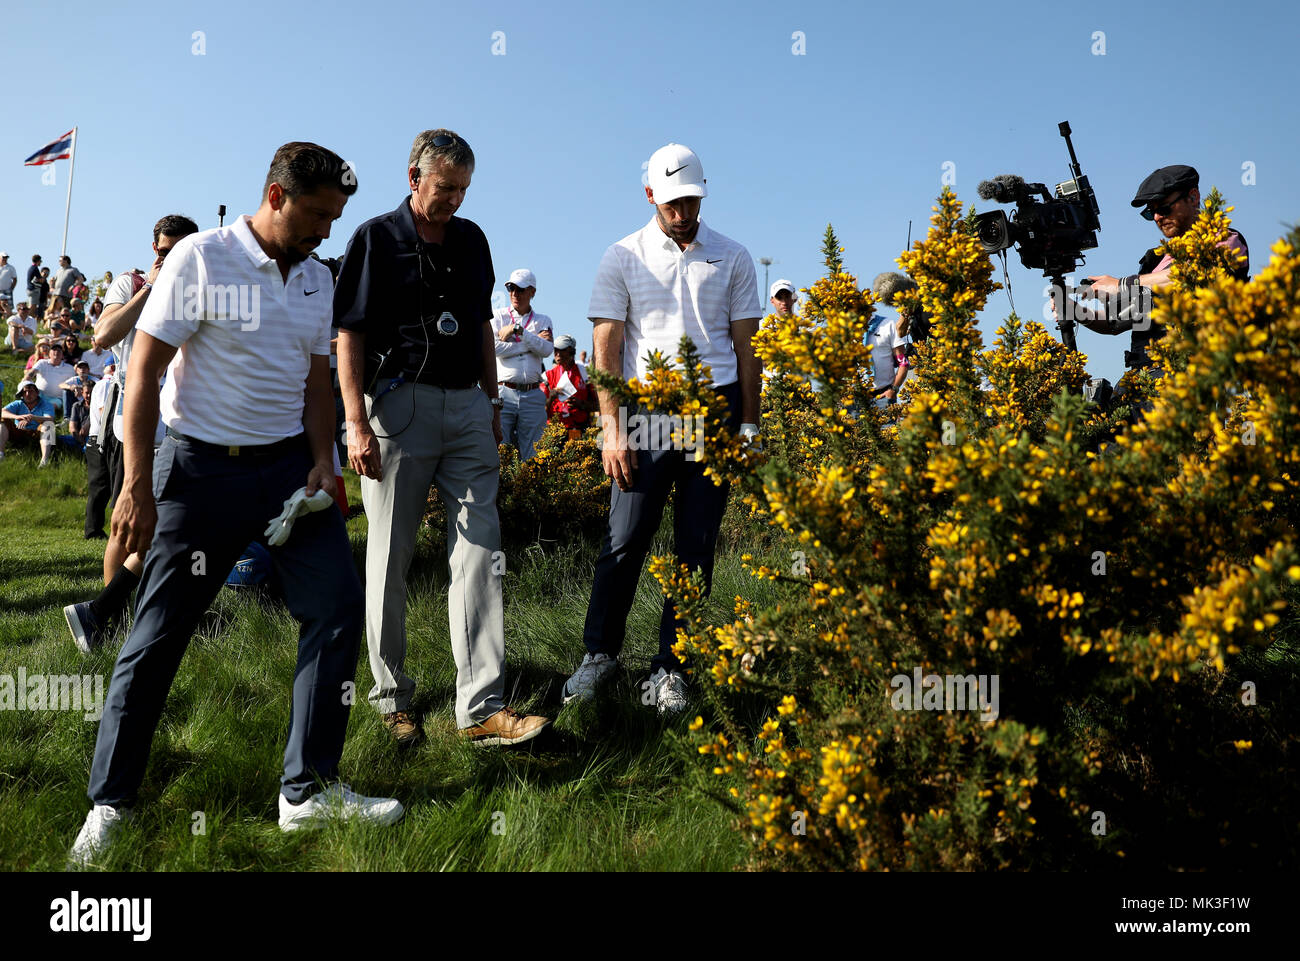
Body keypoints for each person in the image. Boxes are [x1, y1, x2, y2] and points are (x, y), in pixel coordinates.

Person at [69, 141, 402, 868]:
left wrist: (322, 458)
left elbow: (318, 384)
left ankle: (307, 791)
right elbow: (144, 367)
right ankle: (110, 803)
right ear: (276, 196)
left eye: (336, 217)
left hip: (287, 471)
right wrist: (135, 484)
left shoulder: (318, 280)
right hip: (200, 471)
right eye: (316, 213)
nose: (325, 229)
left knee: (338, 608)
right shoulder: (200, 258)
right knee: (159, 633)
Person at [333, 128, 550, 748]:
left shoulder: (473, 239)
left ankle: (482, 707)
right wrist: (354, 421)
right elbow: (348, 335)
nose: (455, 199)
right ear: (413, 179)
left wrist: (488, 399)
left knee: (481, 549)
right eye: (445, 187)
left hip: (467, 410)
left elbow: (483, 325)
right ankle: (393, 699)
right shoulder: (375, 239)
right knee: (390, 556)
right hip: (397, 408)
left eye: (463, 188)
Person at [561, 142, 762, 716]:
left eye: (692, 200)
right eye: (672, 201)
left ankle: (671, 666)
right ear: (650, 195)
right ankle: (600, 655)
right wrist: (612, 429)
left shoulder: (735, 256)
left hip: (714, 409)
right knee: (625, 536)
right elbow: (606, 347)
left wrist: (748, 425)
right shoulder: (621, 256)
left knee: (695, 545)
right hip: (647, 410)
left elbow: (748, 348)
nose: (683, 211)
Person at [1064, 165, 1249, 375]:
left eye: (1164, 208)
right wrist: (1073, 309)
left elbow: (1192, 275)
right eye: (1151, 212)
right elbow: (1114, 323)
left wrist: (1121, 284)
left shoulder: (1225, 240)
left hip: (1191, 373)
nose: (1157, 218)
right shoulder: (1157, 262)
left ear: (1193, 197)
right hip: (1144, 376)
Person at [492, 268, 553, 459]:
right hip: (504, 392)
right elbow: (493, 348)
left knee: (534, 455)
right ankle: (502, 490)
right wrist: (531, 343)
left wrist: (519, 331)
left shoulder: (543, 319)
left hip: (533, 394)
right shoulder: (498, 315)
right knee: (500, 451)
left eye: (520, 289)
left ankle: (530, 490)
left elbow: (547, 350)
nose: (514, 293)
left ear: (532, 292)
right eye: (511, 288)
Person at [83, 358, 116, 539]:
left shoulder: (108, 384)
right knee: (99, 486)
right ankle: (92, 530)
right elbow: (105, 412)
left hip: (104, 438)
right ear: (112, 367)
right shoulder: (105, 384)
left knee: (106, 486)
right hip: (100, 439)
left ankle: (98, 528)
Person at [543, 333, 593, 433]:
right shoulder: (547, 376)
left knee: (576, 448)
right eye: (555, 349)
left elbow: (598, 405)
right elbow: (538, 410)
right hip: (555, 432)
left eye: (561, 349)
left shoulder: (585, 373)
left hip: (578, 429)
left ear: (571, 351)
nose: (557, 353)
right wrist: (550, 398)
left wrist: (581, 404)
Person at [1, 381, 57, 465]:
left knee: (48, 424)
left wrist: (32, 417)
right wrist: (17, 417)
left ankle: (45, 460)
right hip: (19, 432)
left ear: (37, 393)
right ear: (21, 394)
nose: (27, 394)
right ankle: (0, 454)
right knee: (2, 420)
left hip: (37, 434)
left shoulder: (46, 404)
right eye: (24, 392)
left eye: (31, 391)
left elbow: (50, 418)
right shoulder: (18, 403)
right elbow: (2, 412)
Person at [30, 341, 76, 414]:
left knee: (50, 407)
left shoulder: (70, 368)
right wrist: (26, 380)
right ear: (49, 354)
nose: (56, 352)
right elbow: (31, 373)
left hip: (57, 398)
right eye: (54, 350)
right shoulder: (42, 363)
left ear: (62, 355)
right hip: (39, 394)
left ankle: (38, 416)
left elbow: (74, 381)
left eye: (59, 350)